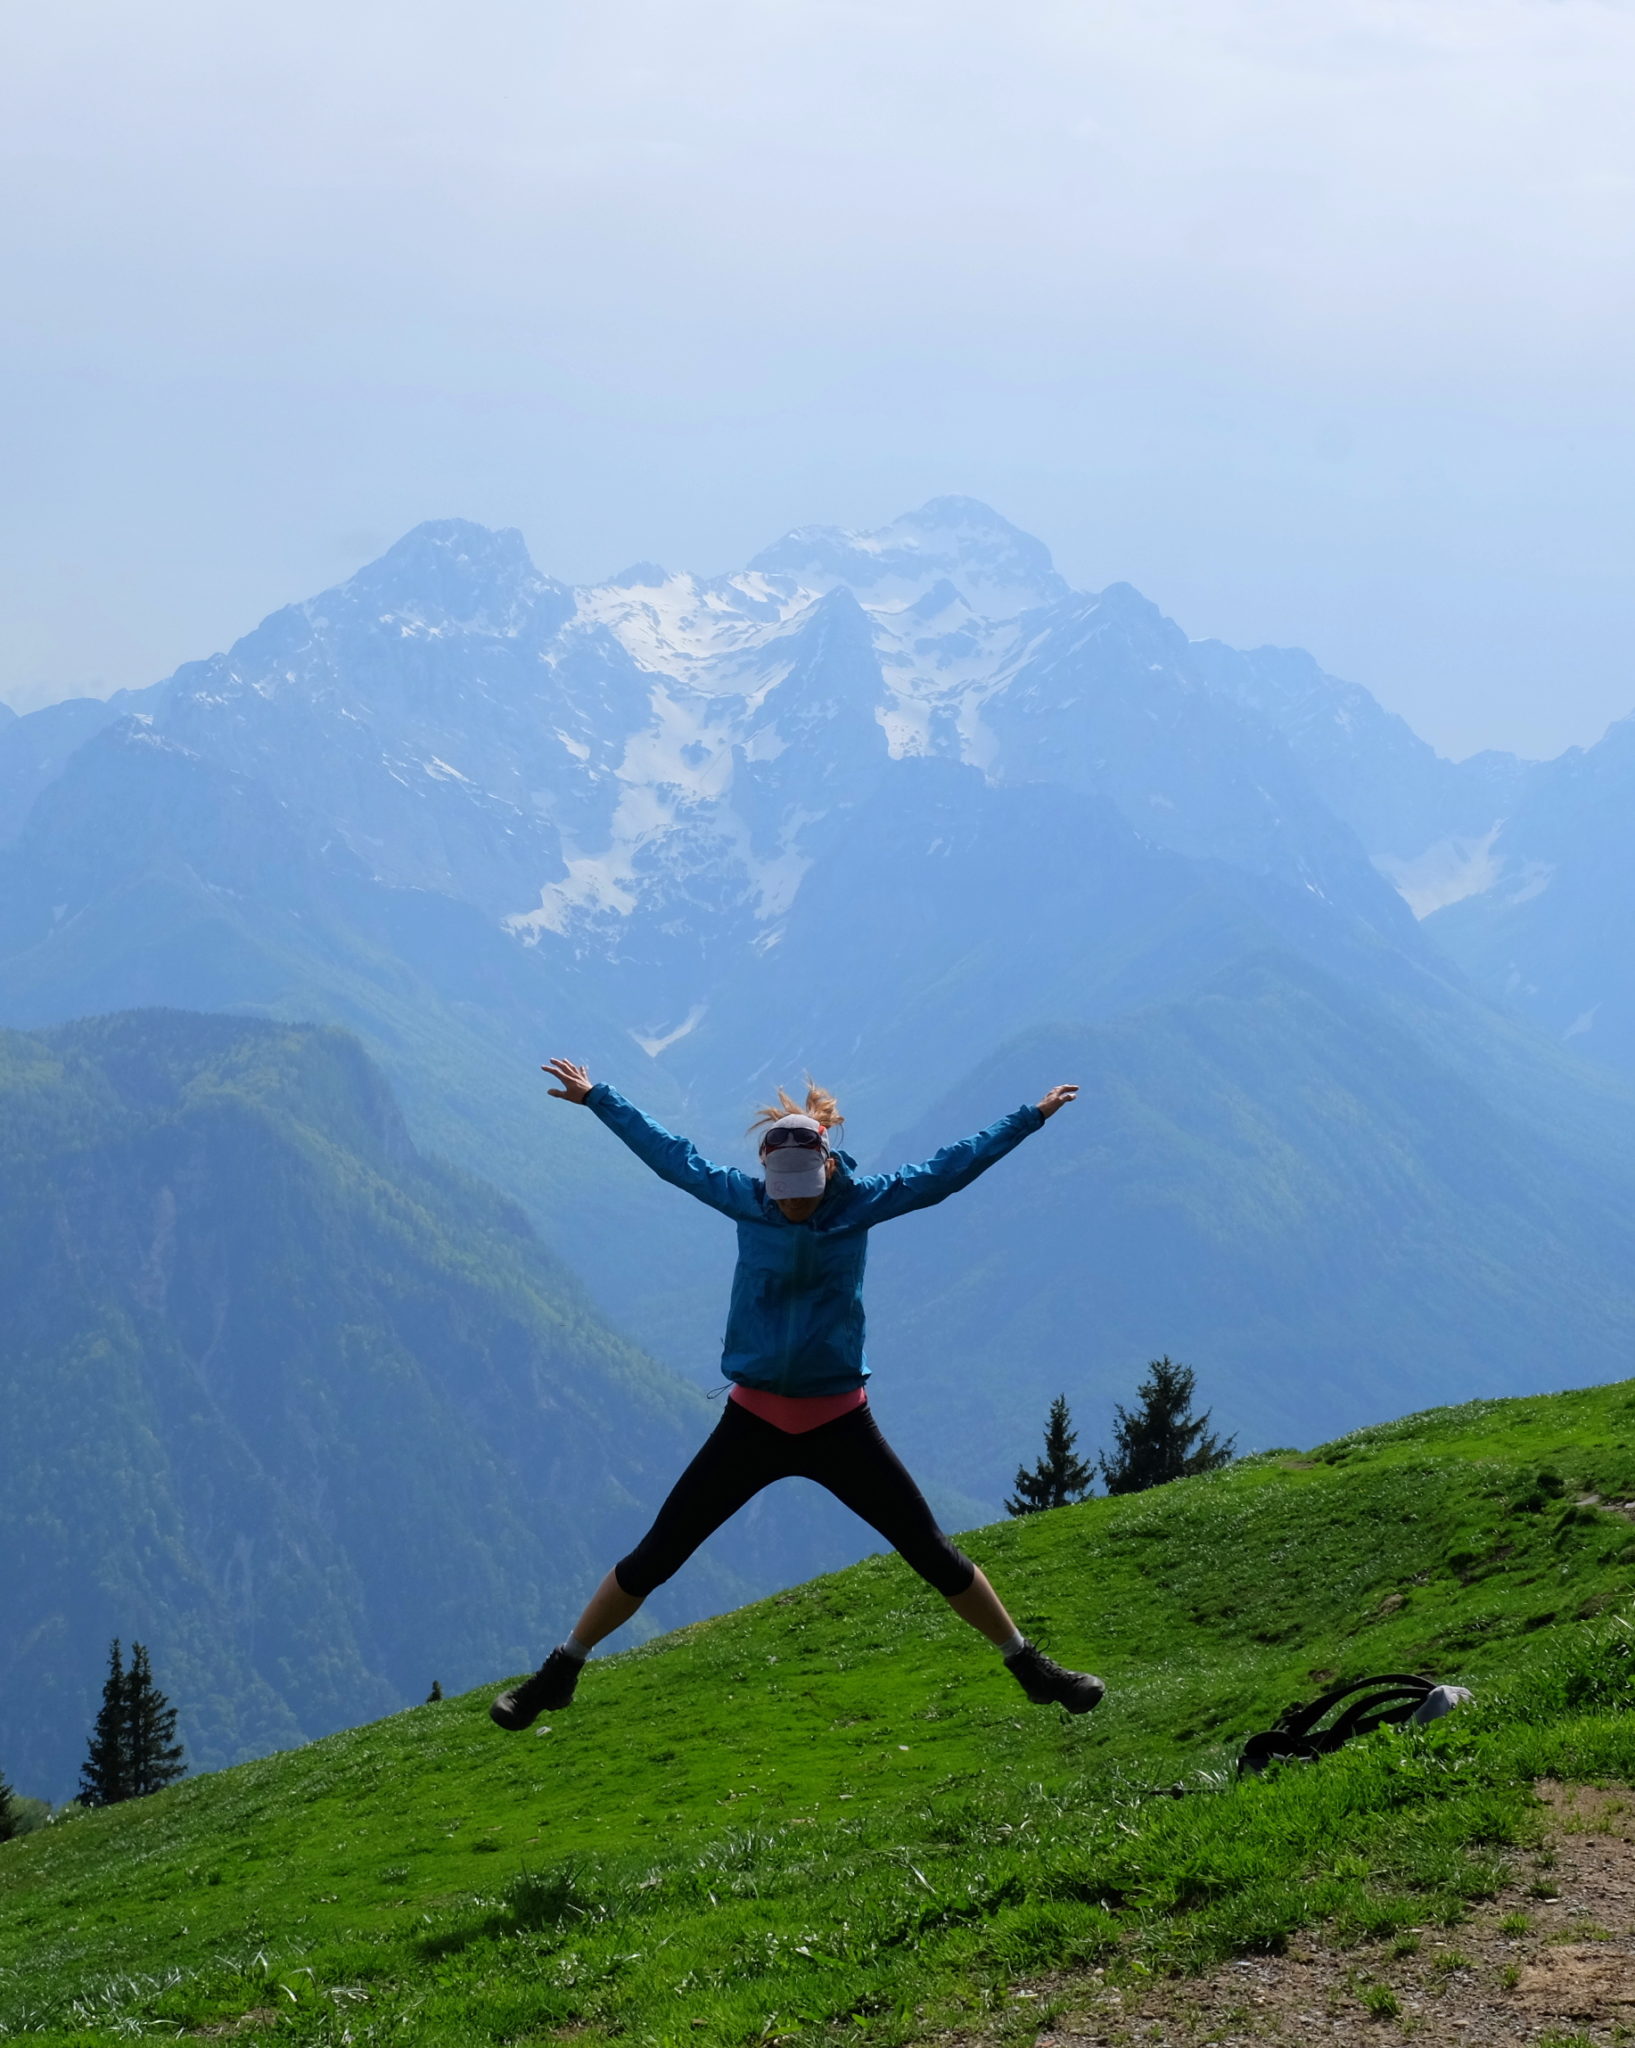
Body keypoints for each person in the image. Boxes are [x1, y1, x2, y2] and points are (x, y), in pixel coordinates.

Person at [491, 1059, 1104, 1730]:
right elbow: (670, 1157)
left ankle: (1030, 1668)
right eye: (781, 1190)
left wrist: (1029, 1117)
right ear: (765, 1176)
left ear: (828, 1170)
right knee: (654, 1556)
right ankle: (560, 1672)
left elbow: (949, 1169)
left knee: (932, 1552)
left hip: (839, 1423)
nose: (792, 1202)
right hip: (751, 1421)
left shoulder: (864, 1202)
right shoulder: (742, 1198)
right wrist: (598, 1099)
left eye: (803, 1189)